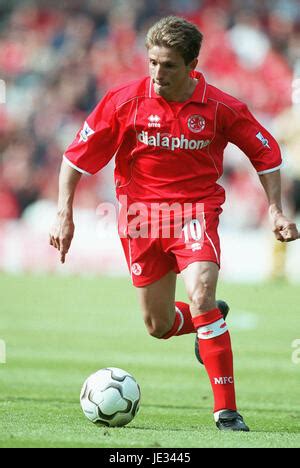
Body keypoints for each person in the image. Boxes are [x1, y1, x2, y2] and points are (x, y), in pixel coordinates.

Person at [49, 16, 299, 431]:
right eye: (152, 63)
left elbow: (267, 154)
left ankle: (226, 412)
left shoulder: (221, 107)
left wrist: (275, 208)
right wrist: (64, 213)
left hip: (195, 213)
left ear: (192, 65)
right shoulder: (124, 101)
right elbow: (74, 158)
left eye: (168, 65)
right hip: (140, 220)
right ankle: (207, 323)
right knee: (158, 325)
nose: (157, 74)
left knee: (200, 293)